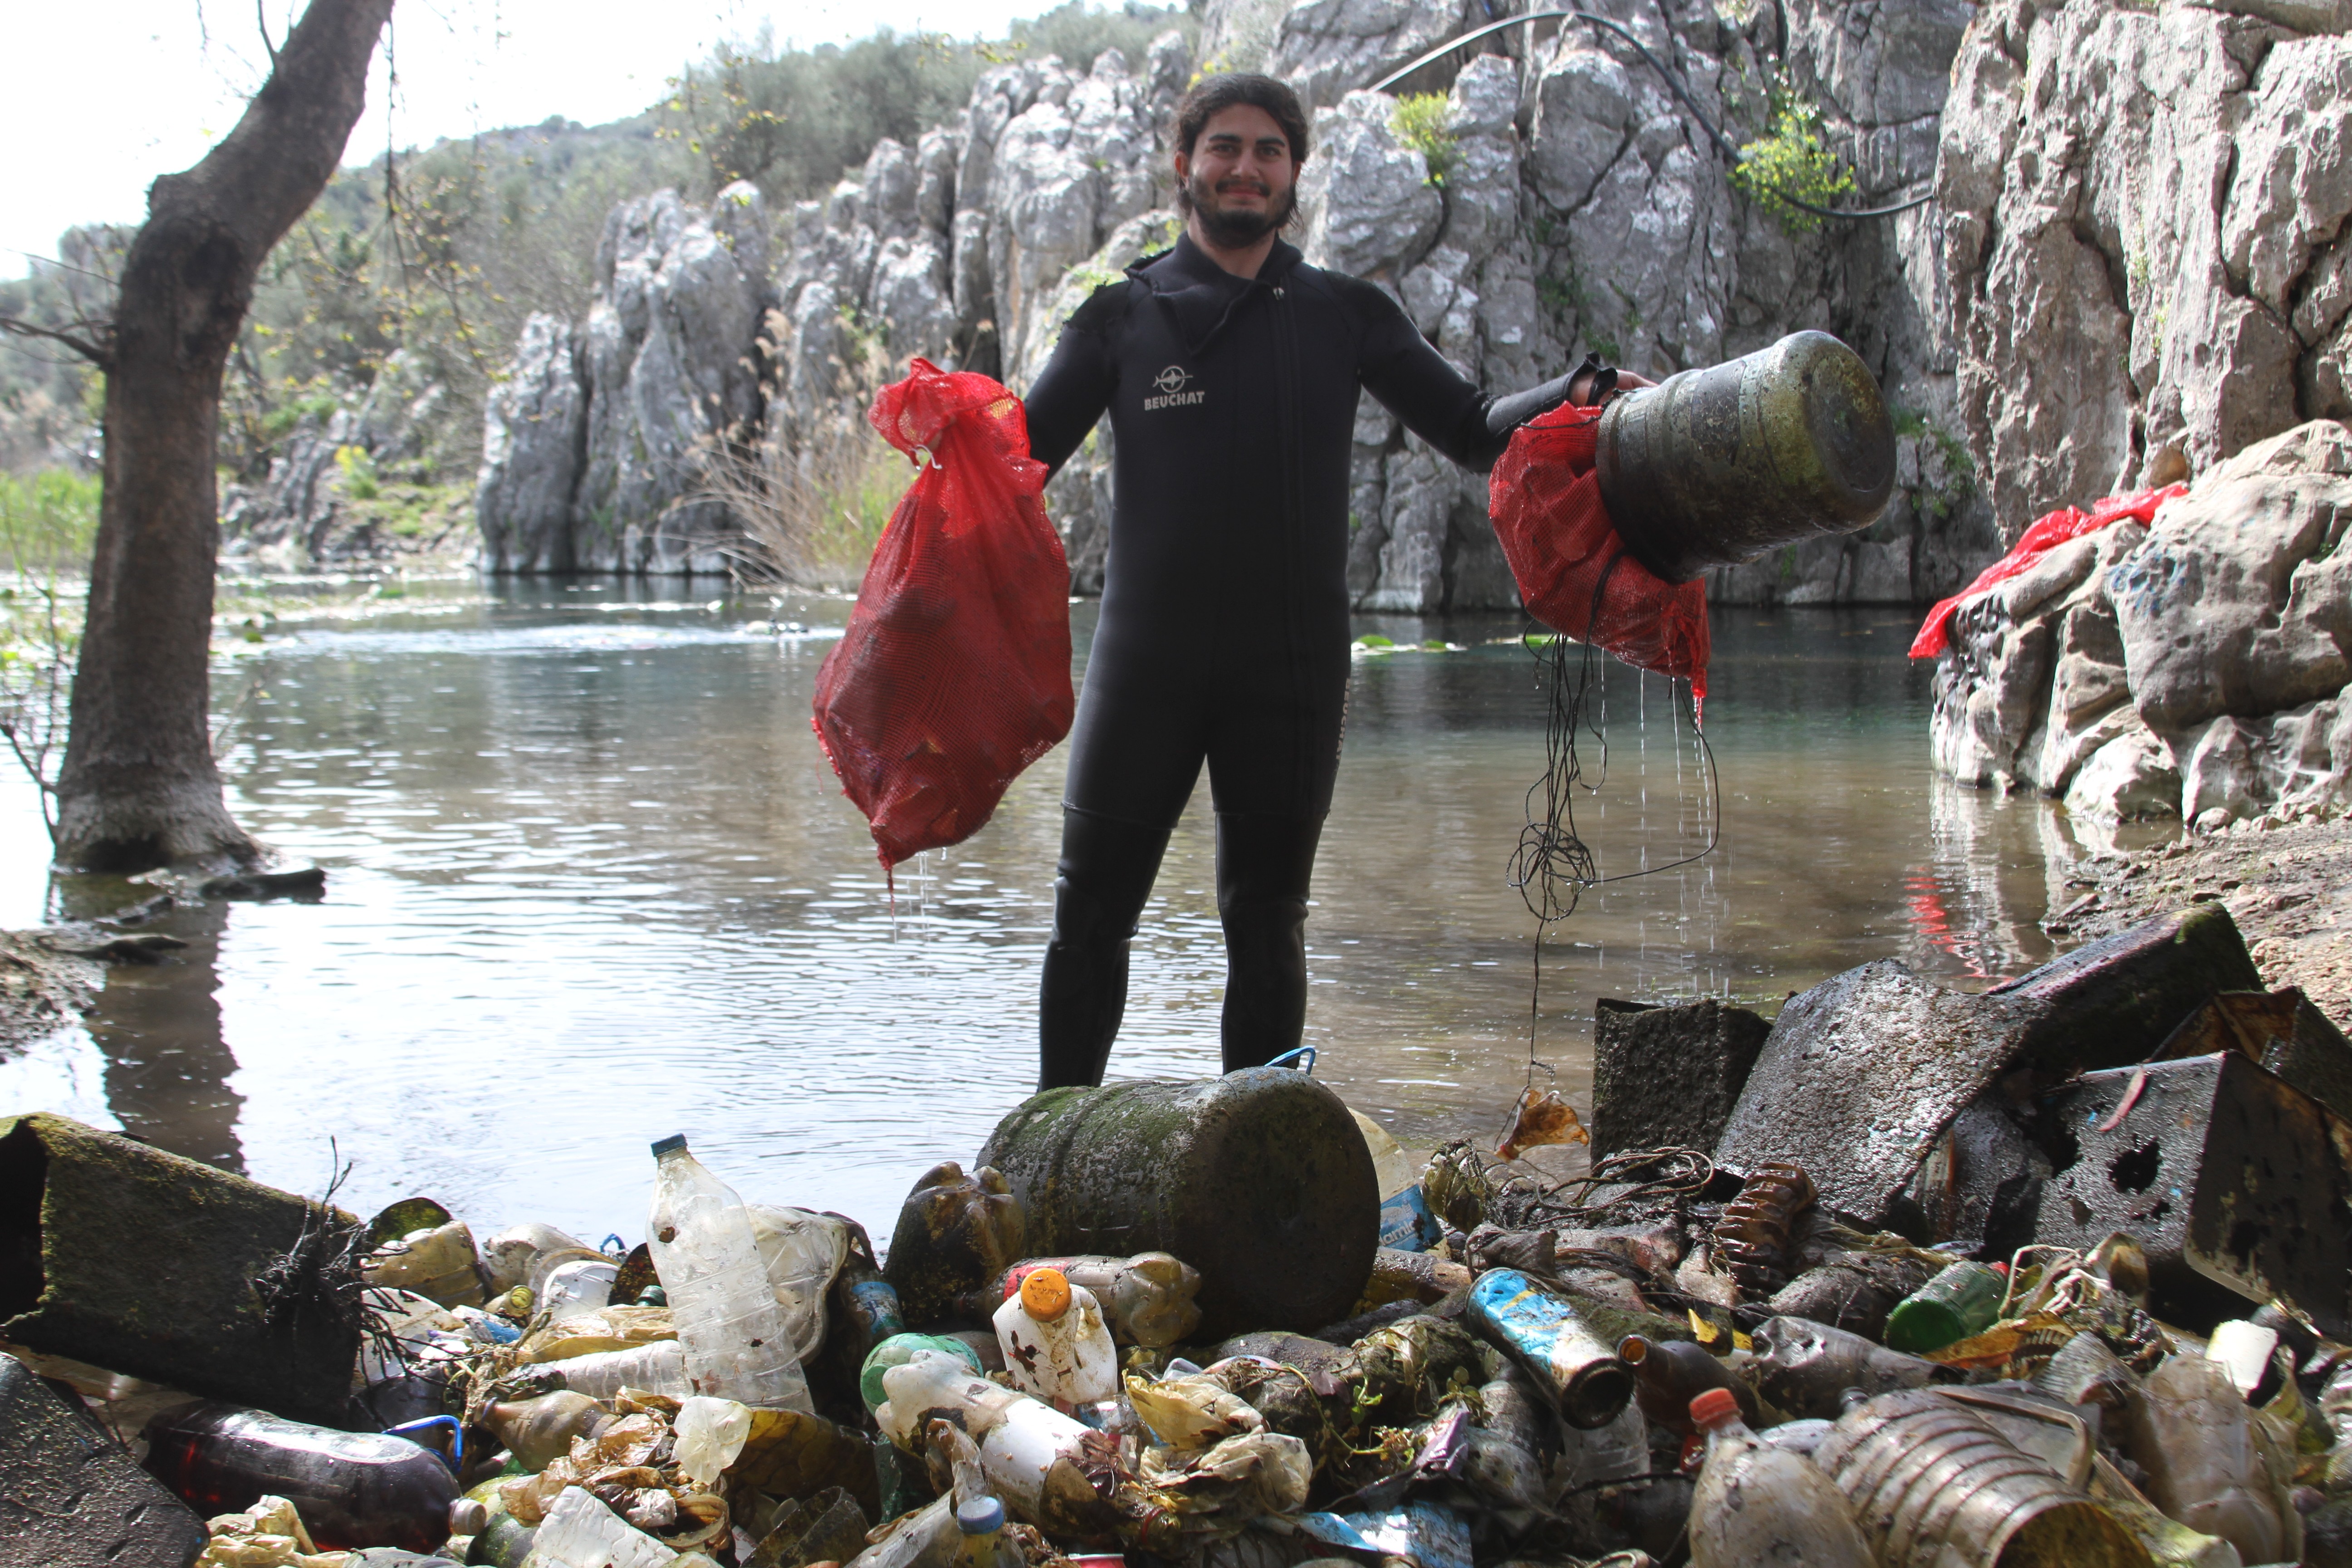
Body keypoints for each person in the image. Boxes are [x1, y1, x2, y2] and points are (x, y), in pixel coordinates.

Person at [1021, 72, 1638, 1091]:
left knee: (1267, 923)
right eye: (1225, 147)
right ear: (1186, 166)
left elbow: (1474, 427)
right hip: (1144, 671)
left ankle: (1249, 1167)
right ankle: (1048, 1148)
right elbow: (1016, 467)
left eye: (1269, 151)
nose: (1245, 167)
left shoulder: (1344, 315)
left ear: (1295, 174)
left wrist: (1578, 394)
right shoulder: (1119, 320)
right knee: (1089, 913)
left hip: (1291, 675)